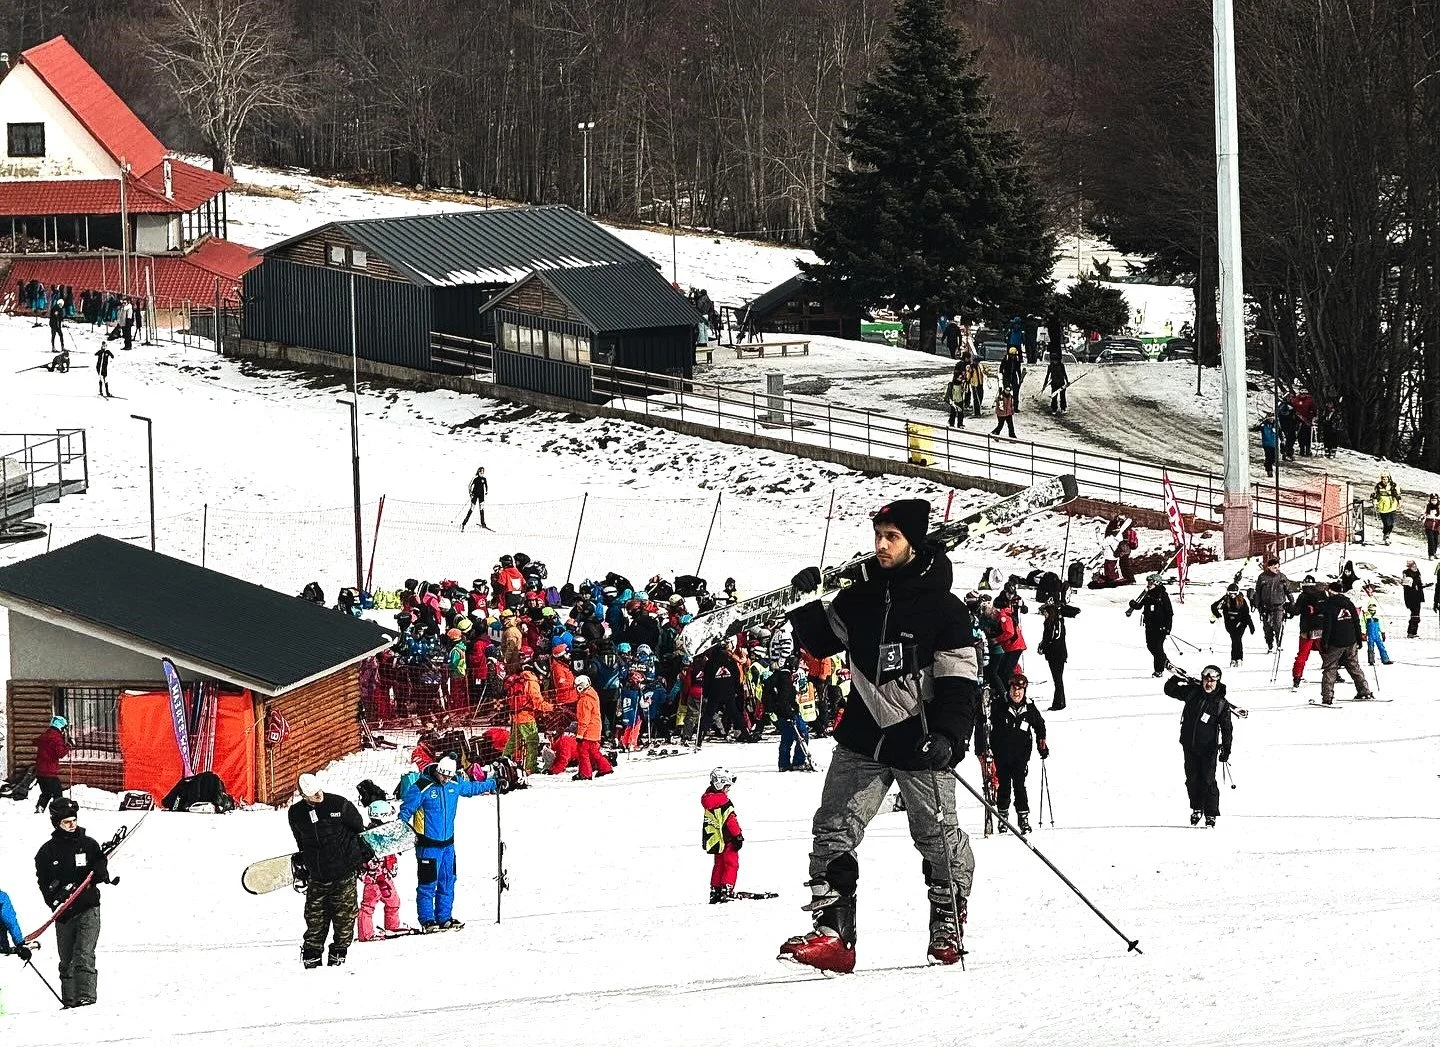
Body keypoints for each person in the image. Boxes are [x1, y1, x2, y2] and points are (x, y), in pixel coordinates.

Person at [779, 498, 978, 973]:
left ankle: (948, 921)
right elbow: (823, 641)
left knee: (936, 837)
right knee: (832, 827)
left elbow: (960, 680)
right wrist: (805, 602)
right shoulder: (860, 596)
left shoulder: (944, 608)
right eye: (878, 535)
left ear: (913, 543)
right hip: (864, 735)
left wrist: (950, 736)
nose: (881, 545)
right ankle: (833, 935)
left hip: (921, 739)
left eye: (892, 537)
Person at [399, 756, 501, 932]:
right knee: (428, 884)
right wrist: (400, 836)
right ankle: (427, 919)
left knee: (448, 881)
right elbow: (404, 813)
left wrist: (493, 783)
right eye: (443, 776)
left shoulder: (454, 783)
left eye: (448, 776)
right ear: (438, 770)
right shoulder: (421, 788)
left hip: (448, 845)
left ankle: (444, 917)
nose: (445, 780)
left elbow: (472, 788)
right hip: (428, 846)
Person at [34, 798, 112, 1006]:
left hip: (88, 907)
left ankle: (86, 997)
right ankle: (70, 999)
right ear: (56, 823)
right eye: (66, 822)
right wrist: (55, 898)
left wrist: (101, 874)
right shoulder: (46, 852)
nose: (72, 825)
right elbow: (43, 882)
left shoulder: (88, 844)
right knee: (66, 959)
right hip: (65, 912)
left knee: (84, 954)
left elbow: (100, 862)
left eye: (73, 820)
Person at [288, 773, 371, 967]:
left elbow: (359, 828)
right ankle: (311, 958)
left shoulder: (339, 805)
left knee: (344, 920)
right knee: (314, 920)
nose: (318, 796)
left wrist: (356, 855)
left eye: (318, 791)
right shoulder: (296, 813)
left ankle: (338, 957)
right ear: (303, 795)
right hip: (317, 877)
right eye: (312, 794)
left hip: (344, 873)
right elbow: (300, 839)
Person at [1163, 666, 1233, 827]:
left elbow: (1227, 728)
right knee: (1192, 780)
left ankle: (1210, 814)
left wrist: (1226, 749)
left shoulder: (1221, 703)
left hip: (1209, 748)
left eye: (1212, 681)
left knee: (1208, 780)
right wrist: (1176, 677)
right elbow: (1169, 690)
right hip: (1189, 745)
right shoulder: (1192, 693)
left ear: (1217, 682)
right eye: (1206, 680)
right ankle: (1196, 808)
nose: (1208, 684)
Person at [987, 674, 1048, 834]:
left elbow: (1040, 726)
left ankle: (1023, 818)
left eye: (1020, 690)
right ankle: (1003, 817)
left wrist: (1041, 744)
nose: (1016, 693)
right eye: (1014, 689)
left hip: (1021, 755)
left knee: (1020, 786)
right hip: (1002, 754)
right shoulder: (999, 705)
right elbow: (985, 724)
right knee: (1004, 786)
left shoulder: (1029, 708)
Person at [1318, 580, 1375, 705]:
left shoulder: (1329, 605)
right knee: (1354, 666)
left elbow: (1328, 627)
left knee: (1330, 668)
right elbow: (1356, 622)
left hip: (1335, 642)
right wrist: (1359, 640)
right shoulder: (1349, 603)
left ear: (1331, 591)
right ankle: (1364, 691)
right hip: (1351, 640)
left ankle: (1327, 697)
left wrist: (1324, 643)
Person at [356, 800, 405, 941]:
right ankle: (365, 934)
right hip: (374, 879)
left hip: (385, 877)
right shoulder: (370, 837)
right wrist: (376, 874)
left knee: (393, 902)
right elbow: (368, 860)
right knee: (368, 906)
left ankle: (392, 928)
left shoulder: (385, 834)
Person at [701, 767, 745, 904]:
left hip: (716, 839)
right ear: (720, 784)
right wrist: (738, 836)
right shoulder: (723, 802)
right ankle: (727, 888)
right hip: (728, 839)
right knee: (731, 864)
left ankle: (716, 889)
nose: (728, 790)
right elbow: (730, 820)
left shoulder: (708, 800)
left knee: (719, 864)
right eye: (727, 786)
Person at [765, 657, 809, 771]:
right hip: (788, 713)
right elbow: (784, 698)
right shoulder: (785, 679)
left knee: (787, 738)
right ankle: (798, 761)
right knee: (803, 734)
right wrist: (790, 712)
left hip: (781, 712)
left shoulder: (777, 675)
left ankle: (783, 764)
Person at [1127, 574, 1173, 676]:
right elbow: (1140, 605)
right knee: (1150, 646)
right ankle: (1164, 661)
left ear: (1156, 583)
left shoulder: (1163, 595)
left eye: (1150, 583)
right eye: (1148, 582)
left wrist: (1168, 627)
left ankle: (1158, 670)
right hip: (1149, 625)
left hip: (1160, 627)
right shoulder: (1148, 594)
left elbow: (1169, 613)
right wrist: (1133, 604)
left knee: (1157, 648)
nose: (1148, 584)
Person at [572, 674, 614, 780]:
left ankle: (585, 774)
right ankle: (605, 768)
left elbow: (583, 719)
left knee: (583, 752)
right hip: (595, 729)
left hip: (588, 731)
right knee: (594, 751)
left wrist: (580, 734)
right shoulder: (593, 694)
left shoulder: (584, 700)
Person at [1290, 575, 1327, 688]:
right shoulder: (1322, 594)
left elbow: (1296, 611)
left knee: (1302, 655)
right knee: (1325, 653)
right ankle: (1333, 673)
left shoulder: (1303, 596)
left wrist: (1288, 607)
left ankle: (1297, 676)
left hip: (1307, 630)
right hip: (1321, 628)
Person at [1253, 555, 1292, 653]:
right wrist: (1258, 605)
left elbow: (1288, 591)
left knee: (1278, 625)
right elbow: (1257, 592)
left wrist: (1292, 602)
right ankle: (1270, 644)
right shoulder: (1262, 577)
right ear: (1269, 567)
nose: (1277, 569)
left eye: (1278, 567)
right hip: (1266, 606)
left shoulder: (1282, 577)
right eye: (1275, 567)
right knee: (1267, 627)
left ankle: (1279, 644)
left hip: (1279, 605)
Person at [1209, 584, 1255, 666]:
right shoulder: (1225, 599)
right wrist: (1217, 614)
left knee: (1237, 639)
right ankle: (1235, 658)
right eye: (1230, 593)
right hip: (1230, 623)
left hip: (1241, 623)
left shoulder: (1242, 600)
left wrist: (1251, 626)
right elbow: (1214, 606)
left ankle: (1237, 658)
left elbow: (1246, 615)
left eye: (1234, 593)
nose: (1232, 595)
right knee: (1234, 639)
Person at [33, 715, 70, 814]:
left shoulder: (46, 734)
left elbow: (36, 742)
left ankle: (40, 808)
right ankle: (59, 812)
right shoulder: (56, 737)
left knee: (46, 793)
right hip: (49, 771)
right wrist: (68, 746)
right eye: (64, 728)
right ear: (60, 727)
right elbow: (60, 753)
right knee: (58, 793)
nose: (64, 731)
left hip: (40, 770)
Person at [1037, 601, 1068, 711]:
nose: (1044, 614)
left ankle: (1058, 702)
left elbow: (1053, 639)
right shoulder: (1050, 622)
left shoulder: (1056, 623)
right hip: (1053, 654)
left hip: (1057, 655)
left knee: (1058, 679)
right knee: (1057, 679)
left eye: (1045, 612)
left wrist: (1044, 647)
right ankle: (1060, 701)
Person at [1, 886, 35, 965]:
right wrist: (20, 944)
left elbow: (10, 921)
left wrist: (20, 944)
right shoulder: (2, 897)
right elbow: (10, 922)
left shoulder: (2, 898)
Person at [1372, 473, 1401, 545]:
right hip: (1382, 505)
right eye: (1383, 479)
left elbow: (1397, 495)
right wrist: (1375, 503)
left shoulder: (1394, 485)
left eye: (1386, 479)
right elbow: (1375, 495)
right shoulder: (1378, 486)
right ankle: (1386, 535)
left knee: (1391, 522)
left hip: (1392, 505)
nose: (1385, 480)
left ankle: (1387, 534)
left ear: (1389, 478)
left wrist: (1399, 503)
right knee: (1386, 522)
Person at [1361, 602, 1392, 667]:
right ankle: (1371, 660)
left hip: (1377, 635)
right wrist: (1363, 633)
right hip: (1370, 635)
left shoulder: (1377, 617)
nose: (1372, 612)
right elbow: (1363, 625)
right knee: (1370, 648)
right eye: (1371, 610)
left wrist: (1383, 632)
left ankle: (1385, 659)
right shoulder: (1365, 616)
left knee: (1381, 647)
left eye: (1374, 610)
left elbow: (1381, 625)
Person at [1401, 560, 1426, 638]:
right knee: (1414, 615)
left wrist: (1424, 585)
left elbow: (1419, 584)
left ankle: (1414, 632)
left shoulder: (1417, 572)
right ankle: (1410, 632)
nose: (1414, 566)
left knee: (1416, 615)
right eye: (1412, 565)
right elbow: (1407, 587)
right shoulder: (1407, 573)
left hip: (1418, 596)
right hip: (1411, 597)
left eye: (1414, 564)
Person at [460, 466, 489, 531]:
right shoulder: (475, 478)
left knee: (481, 508)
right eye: (481, 472)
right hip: (475, 495)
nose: (482, 473)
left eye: (483, 472)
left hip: (481, 496)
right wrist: (470, 493)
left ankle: (483, 523)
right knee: (472, 508)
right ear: (478, 472)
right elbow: (469, 486)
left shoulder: (484, 479)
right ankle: (464, 523)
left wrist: (486, 491)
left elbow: (486, 486)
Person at [1042, 346, 1068, 415]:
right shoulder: (1050, 366)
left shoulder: (1061, 365)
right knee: (1054, 396)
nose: (1054, 361)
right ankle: (1054, 409)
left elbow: (1064, 374)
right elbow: (1047, 375)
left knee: (1062, 396)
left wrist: (1067, 381)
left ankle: (1063, 408)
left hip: (1061, 383)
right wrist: (1045, 384)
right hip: (1054, 383)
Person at [945, 360, 967, 428]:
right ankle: (955, 423)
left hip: (959, 396)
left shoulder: (957, 374)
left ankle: (957, 423)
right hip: (955, 396)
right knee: (955, 411)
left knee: (958, 411)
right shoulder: (957, 375)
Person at [1258, 413, 1278, 477]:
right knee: (1268, 457)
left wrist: (1282, 440)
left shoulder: (1276, 424)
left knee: (1274, 458)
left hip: (1274, 444)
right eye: (1270, 418)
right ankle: (1269, 470)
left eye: (1272, 418)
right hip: (1266, 444)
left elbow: (1279, 432)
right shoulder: (1264, 425)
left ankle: (1267, 464)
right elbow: (1257, 428)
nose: (1271, 419)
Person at [1424, 494, 1440, 560]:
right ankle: (1431, 554)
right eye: (1432, 500)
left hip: (1437, 525)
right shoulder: (1428, 506)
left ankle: (1434, 552)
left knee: (1436, 540)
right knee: (1431, 541)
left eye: (1435, 500)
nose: (1434, 501)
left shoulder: (1439, 507)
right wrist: (1422, 517)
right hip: (1429, 525)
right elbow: (1424, 513)